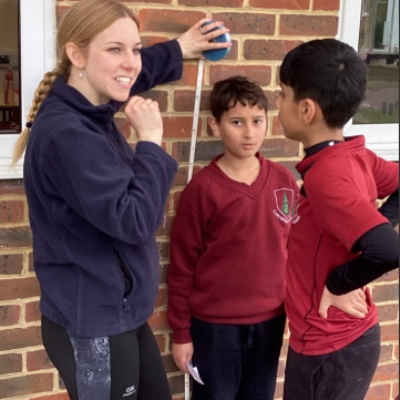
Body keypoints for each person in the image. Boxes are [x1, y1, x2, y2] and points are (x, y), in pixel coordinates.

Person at [11, 1, 232, 399]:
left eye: (136, 48)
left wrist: (179, 48)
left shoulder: (91, 105)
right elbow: (134, 221)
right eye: (115, 49)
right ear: (76, 54)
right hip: (93, 323)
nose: (130, 62)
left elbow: (132, 73)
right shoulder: (69, 134)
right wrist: (150, 143)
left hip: (119, 311)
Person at [275, 38, 399, 400]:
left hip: (329, 346)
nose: (278, 104)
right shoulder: (352, 156)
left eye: (282, 95)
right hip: (342, 343)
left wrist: (338, 282)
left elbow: (387, 251)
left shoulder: (327, 176)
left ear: (306, 110)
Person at [167, 76, 299, 400]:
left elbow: (296, 249)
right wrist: (181, 333)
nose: (249, 132)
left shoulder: (283, 180)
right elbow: (182, 267)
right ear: (215, 125)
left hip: (271, 321)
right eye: (237, 122)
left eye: (257, 121)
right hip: (214, 328)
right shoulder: (202, 189)